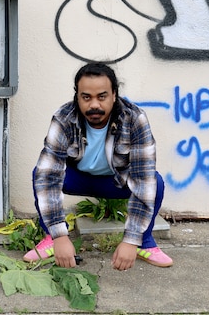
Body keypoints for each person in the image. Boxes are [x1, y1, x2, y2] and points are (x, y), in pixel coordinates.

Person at [24, 62, 173, 270]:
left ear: (114, 95)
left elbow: (143, 178)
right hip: (77, 179)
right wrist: (60, 236)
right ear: (77, 97)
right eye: (86, 97)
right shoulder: (64, 118)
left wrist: (131, 240)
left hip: (115, 182)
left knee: (154, 182)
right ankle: (51, 237)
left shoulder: (134, 119)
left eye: (102, 96)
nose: (94, 105)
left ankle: (144, 242)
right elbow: (48, 176)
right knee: (40, 173)